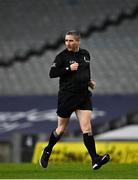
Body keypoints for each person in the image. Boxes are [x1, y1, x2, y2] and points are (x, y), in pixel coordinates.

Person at [40, 30, 110, 170]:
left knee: (87, 128)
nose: (68, 43)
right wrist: (68, 68)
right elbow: (52, 73)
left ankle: (94, 159)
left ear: (78, 41)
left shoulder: (85, 54)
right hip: (67, 96)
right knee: (61, 129)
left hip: (83, 95)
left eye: (71, 40)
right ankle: (47, 150)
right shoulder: (62, 57)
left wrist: (89, 81)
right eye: (66, 40)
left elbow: (85, 71)